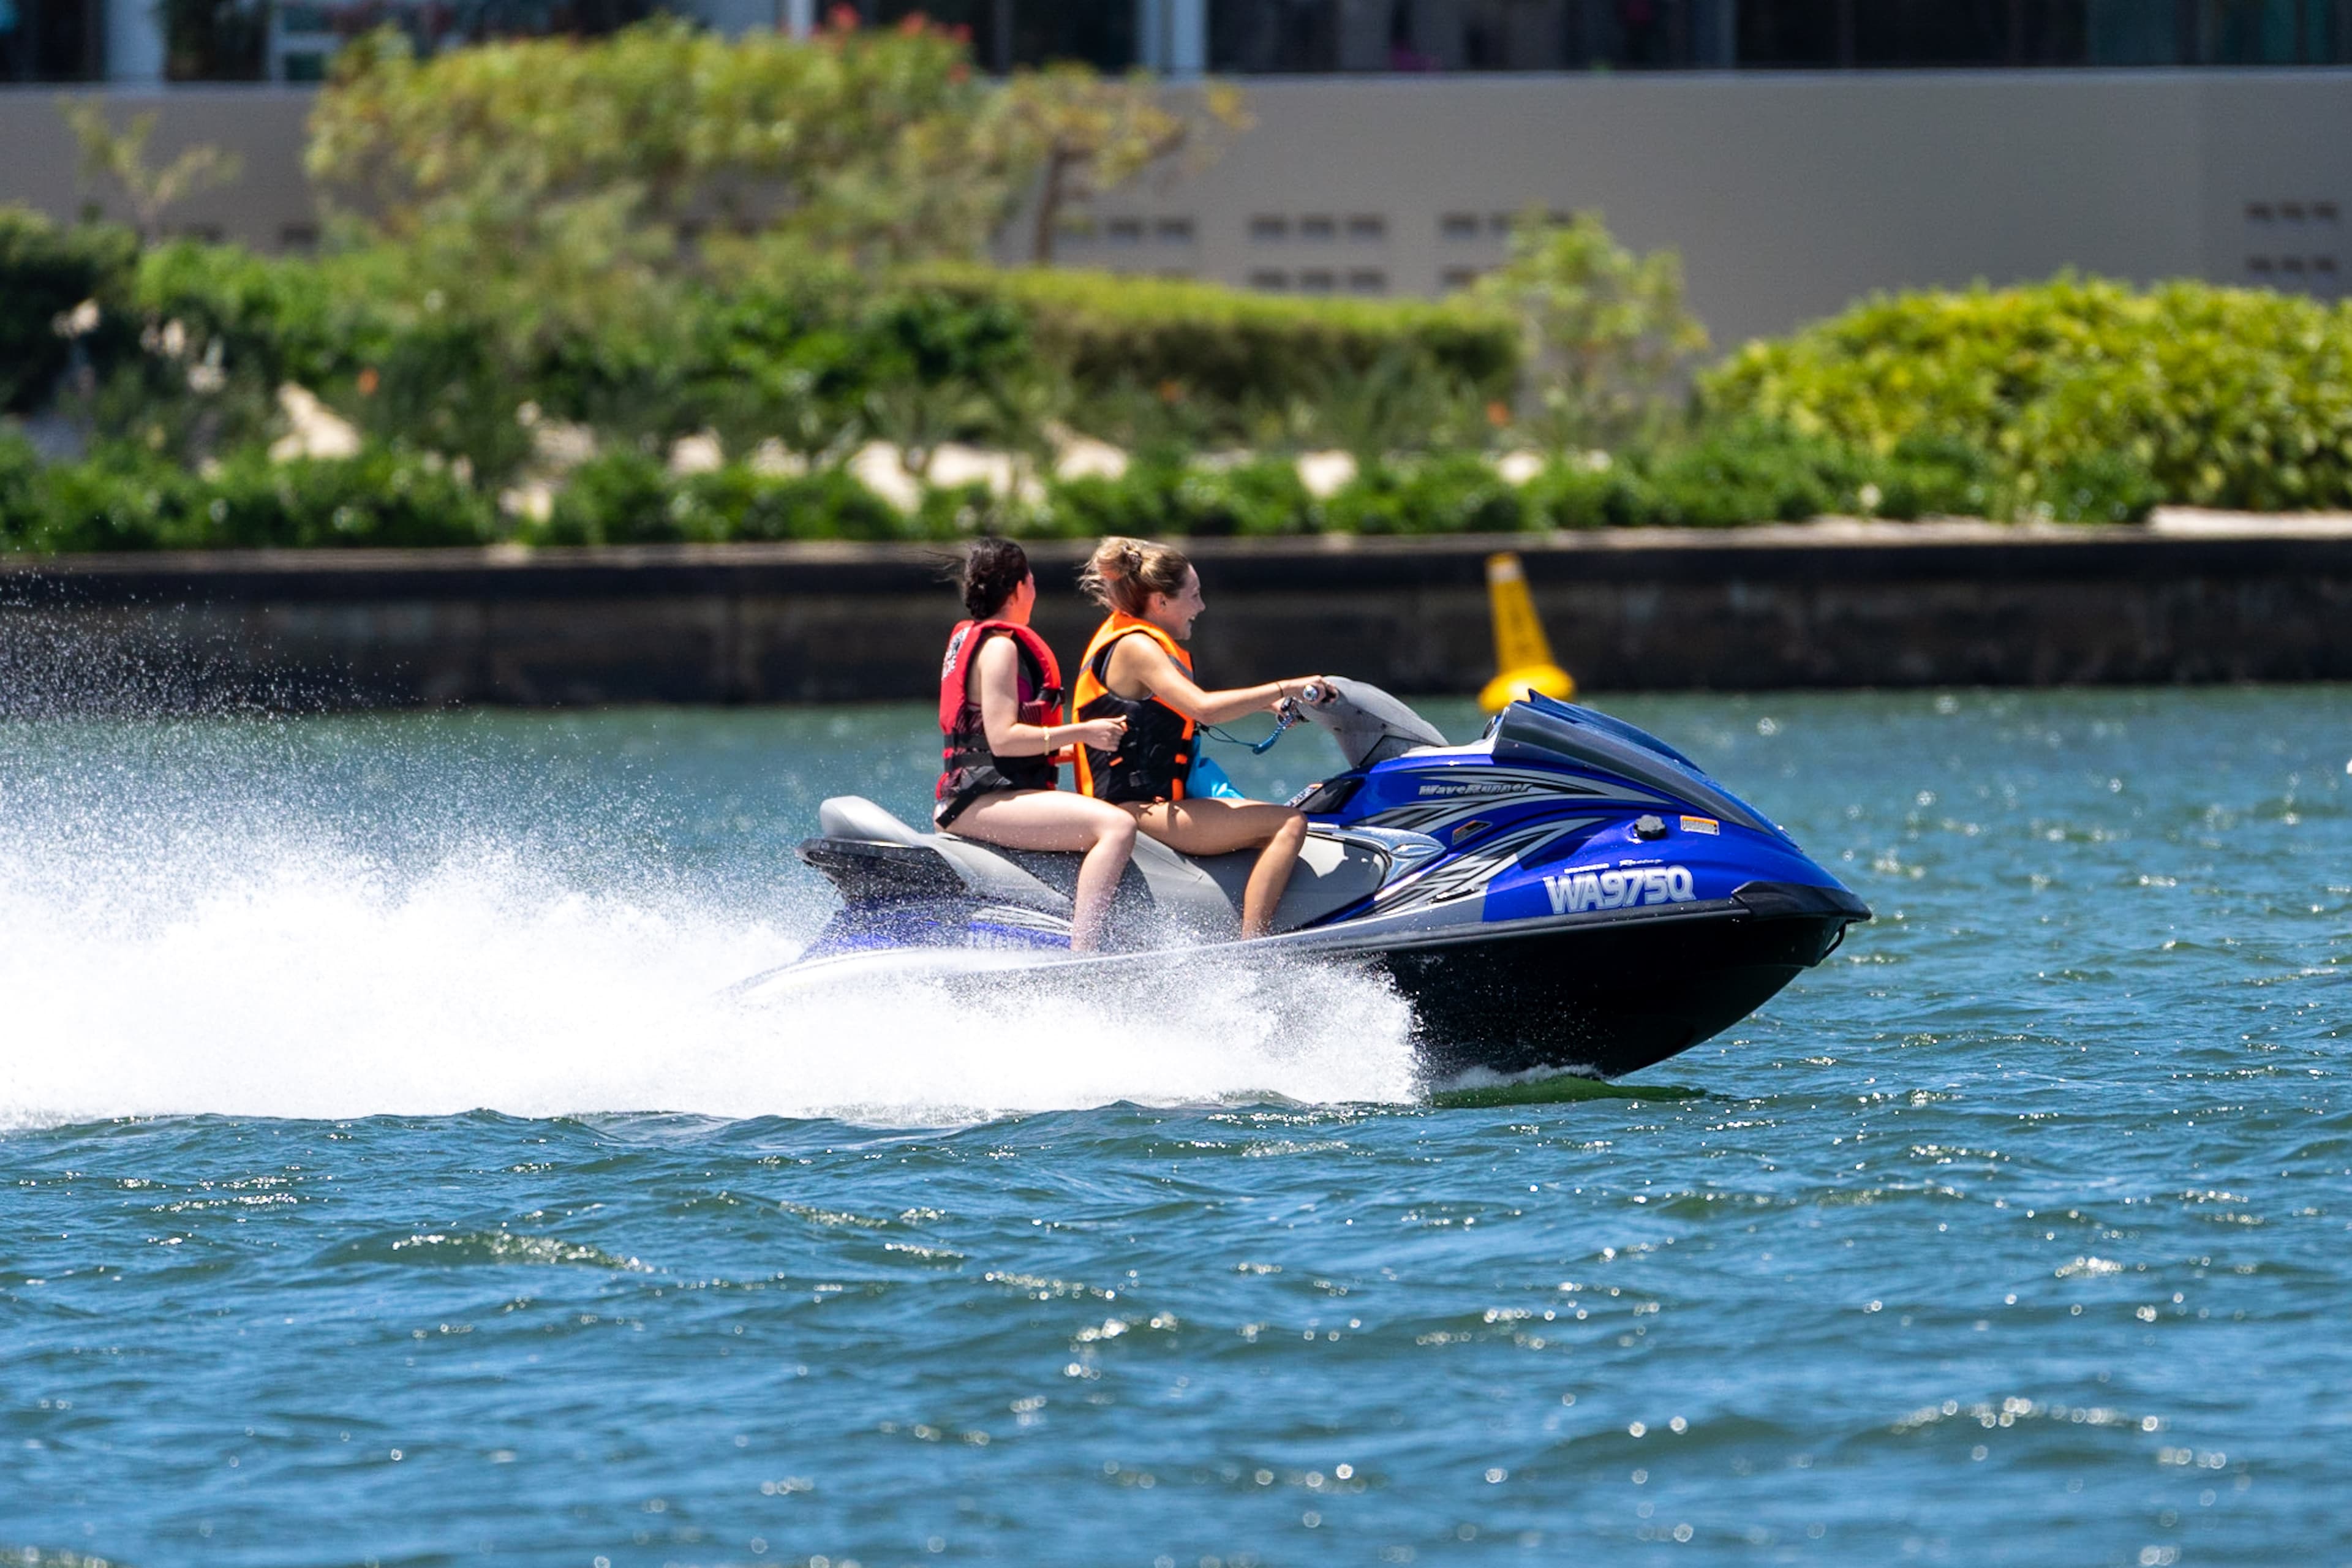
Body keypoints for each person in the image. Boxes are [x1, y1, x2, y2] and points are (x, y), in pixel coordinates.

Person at [1072, 536, 1329, 940]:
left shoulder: (1134, 640)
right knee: (1288, 824)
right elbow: (1204, 708)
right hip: (1136, 809)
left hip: (1149, 804)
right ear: (1160, 602)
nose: (1201, 606)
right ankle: (1253, 948)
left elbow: (1172, 711)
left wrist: (1267, 707)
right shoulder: (1137, 646)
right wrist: (1288, 687)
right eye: (1193, 595)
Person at [934, 538, 1136, 953]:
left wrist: (1081, 749)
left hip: (981, 792)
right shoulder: (1000, 648)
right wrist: (1083, 732)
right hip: (978, 800)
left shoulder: (979, 641)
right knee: (1117, 826)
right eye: (1032, 580)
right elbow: (1005, 739)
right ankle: (1085, 954)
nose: (1035, 590)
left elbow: (996, 745)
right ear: (1020, 588)